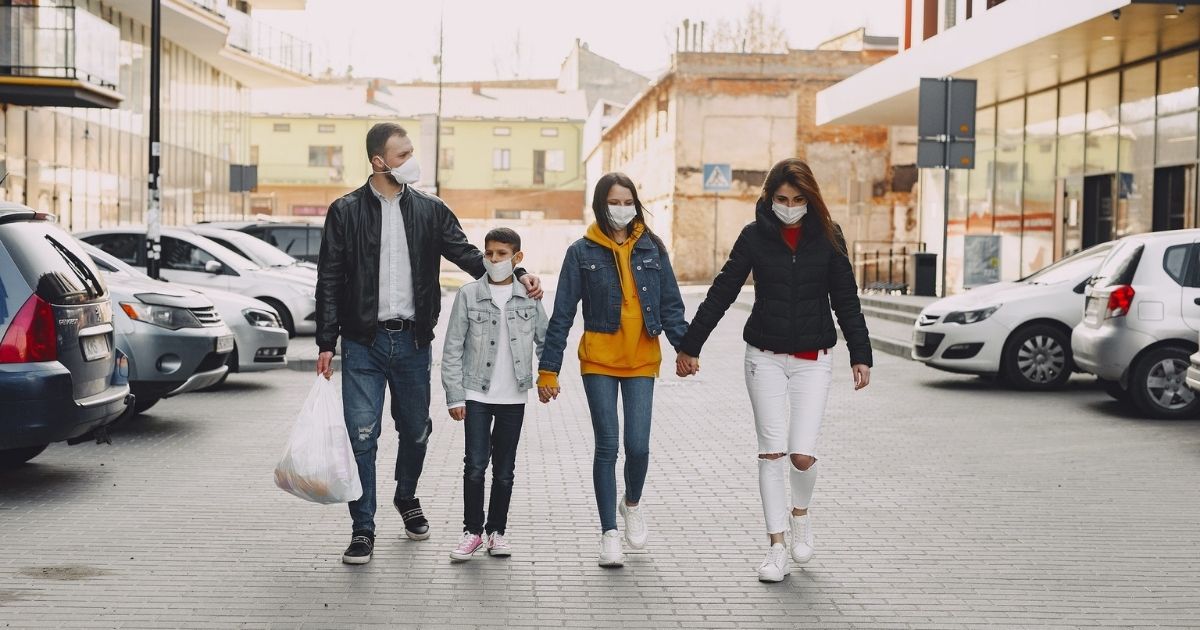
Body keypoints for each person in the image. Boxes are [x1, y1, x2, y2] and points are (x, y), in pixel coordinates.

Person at [315, 122, 542, 565]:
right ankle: (363, 528)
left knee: (416, 431)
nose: (411, 161)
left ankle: (406, 496)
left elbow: (469, 255)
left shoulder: (430, 211)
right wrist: (326, 340)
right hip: (363, 343)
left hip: (414, 342)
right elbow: (329, 277)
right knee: (363, 436)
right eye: (402, 155)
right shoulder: (345, 211)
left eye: (410, 152)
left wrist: (515, 273)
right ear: (379, 161)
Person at [676, 158, 872, 583]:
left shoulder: (829, 236)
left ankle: (800, 516)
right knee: (771, 452)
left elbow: (846, 299)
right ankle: (776, 547)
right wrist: (690, 346)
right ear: (769, 198)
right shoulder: (754, 236)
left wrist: (861, 353)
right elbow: (724, 289)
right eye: (782, 199)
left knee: (801, 455)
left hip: (813, 359)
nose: (790, 206)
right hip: (763, 356)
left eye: (799, 199)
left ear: (811, 199)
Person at [537, 172, 688, 568]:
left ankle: (632, 503)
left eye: (628, 202)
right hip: (599, 360)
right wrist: (548, 369)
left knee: (638, 446)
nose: (621, 209)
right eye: (614, 202)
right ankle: (608, 534)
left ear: (636, 205)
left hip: (642, 359)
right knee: (608, 445)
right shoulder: (580, 252)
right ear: (601, 205)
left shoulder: (653, 247)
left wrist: (685, 349)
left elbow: (671, 303)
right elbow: (563, 314)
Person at [440, 228, 548, 562]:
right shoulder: (469, 294)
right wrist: (455, 396)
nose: (494, 260)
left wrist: (548, 376)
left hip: (513, 396)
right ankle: (472, 532)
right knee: (474, 465)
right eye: (489, 253)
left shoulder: (529, 296)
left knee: (504, 468)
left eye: (502, 254)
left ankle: (496, 532)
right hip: (476, 394)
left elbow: (546, 340)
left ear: (517, 258)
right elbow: (452, 347)